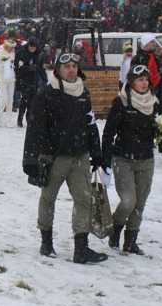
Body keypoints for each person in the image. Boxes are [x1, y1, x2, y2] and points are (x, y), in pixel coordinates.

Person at [22, 52, 107, 264]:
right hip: (53, 156)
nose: (71, 70)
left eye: (74, 66)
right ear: (57, 70)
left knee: (84, 199)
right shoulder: (46, 95)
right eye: (66, 66)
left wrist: (96, 152)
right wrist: (30, 160)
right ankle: (46, 241)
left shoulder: (83, 93)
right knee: (48, 198)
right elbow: (34, 129)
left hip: (80, 155)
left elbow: (90, 124)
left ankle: (81, 247)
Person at [102, 64, 160, 255]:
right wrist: (105, 156)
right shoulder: (122, 102)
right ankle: (115, 228)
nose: (144, 83)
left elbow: (156, 131)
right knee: (128, 200)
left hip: (146, 158)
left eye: (146, 80)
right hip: (123, 157)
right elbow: (109, 132)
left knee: (140, 202)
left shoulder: (154, 103)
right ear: (131, 82)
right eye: (140, 80)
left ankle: (131, 240)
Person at [14, 36, 47, 128]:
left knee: (32, 102)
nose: (32, 48)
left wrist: (44, 80)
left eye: (34, 46)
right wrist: (28, 68)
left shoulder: (39, 54)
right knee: (24, 101)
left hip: (34, 81)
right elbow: (17, 68)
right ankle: (20, 119)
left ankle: (29, 119)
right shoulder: (21, 53)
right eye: (31, 46)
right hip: (24, 80)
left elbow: (41, 68)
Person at [0, 39, 17, 128]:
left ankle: (8, 120)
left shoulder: (13, 54)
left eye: (13, 48)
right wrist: (3, 63)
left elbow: (12, 65)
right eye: (10, 48)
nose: (12, 50)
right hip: (1, 79)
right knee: (4, 99)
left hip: (11, 79)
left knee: (10, 100)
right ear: (6, 46)